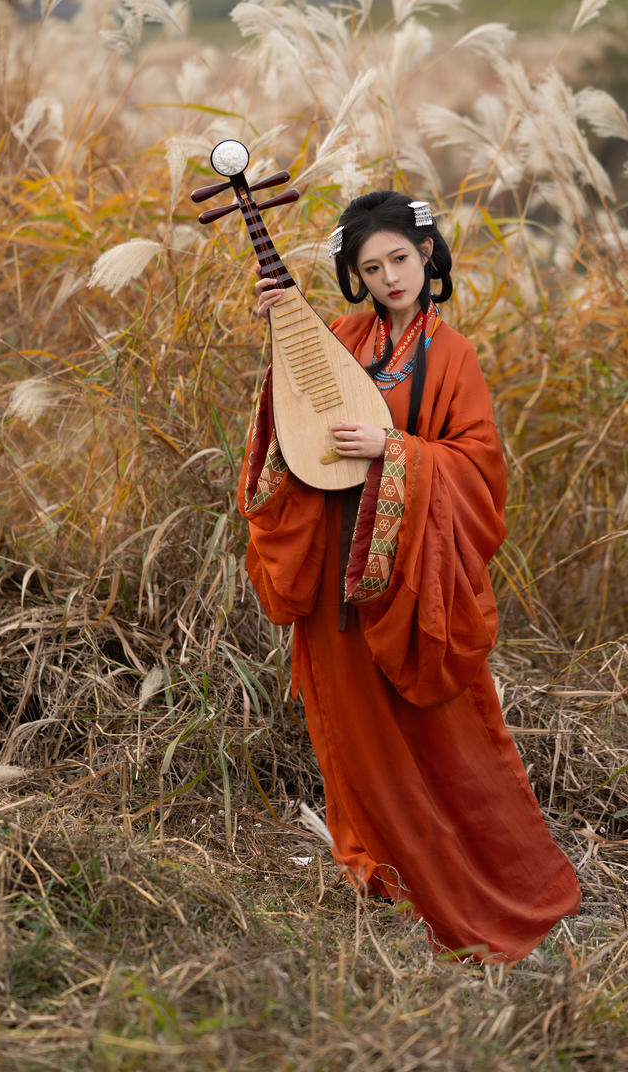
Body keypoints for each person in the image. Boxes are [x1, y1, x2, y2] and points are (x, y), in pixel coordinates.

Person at [238, 190, 580, 963]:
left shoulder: (453, 355)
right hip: (334, 564)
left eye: (399, 258)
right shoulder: (343, 337)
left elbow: (480, 471)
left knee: (446, 730)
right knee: (351, 727)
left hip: (408, 580)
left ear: (426, 255)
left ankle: (485, 877)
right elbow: (295, 418)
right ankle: (384, 868)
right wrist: (280, 329)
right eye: (371, 266)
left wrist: (392, 450)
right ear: (355, 278)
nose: (390, 276)